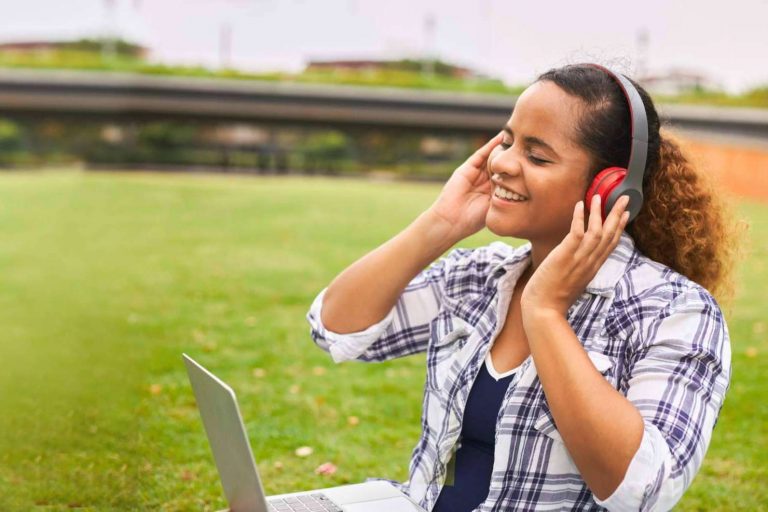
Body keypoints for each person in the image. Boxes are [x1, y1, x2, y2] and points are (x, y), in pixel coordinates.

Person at [305, 63, 744, 511]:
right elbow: (335, 329)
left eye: (537, 156)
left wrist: (546, 313)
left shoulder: (674, 311)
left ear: (609, 190)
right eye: (507, 140)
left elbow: (642, 489)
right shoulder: (481, 276)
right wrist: (439, 225)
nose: (501, 163)